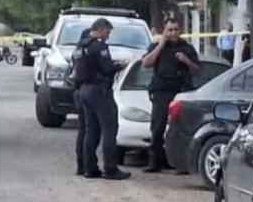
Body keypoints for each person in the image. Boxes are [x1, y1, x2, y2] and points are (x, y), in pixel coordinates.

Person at [140, 18, 201, 173]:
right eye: (170, 30)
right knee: (157, 127)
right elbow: (146, 63)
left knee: (181, 128)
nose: (173, 33)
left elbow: (197, 70)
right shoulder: (156, 46)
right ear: (164, 31)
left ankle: (180, 164)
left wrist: (186, 61)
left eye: (176, 30)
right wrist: (161, 45)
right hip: (161, 90)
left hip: (181, 90)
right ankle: (155, 162)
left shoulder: (187, 48)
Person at [75, 18, 131, 181]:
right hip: (99, 90)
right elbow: (106, 68)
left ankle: (89, 168)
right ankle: (110, 168)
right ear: (100, 29)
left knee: (90, 130)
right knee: (109, 128)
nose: (108, 35)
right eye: (107, 31)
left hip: (84, 89)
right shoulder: (99, 46)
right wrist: (120, 66)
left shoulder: (81, 46)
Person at [70, 27, 93, 176]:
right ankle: (87, 166)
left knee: (82, 130)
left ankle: (81, 165)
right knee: (89, 130)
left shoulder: (76, 51)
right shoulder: (88, 51)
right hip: (86, 89)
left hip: (78, 91)